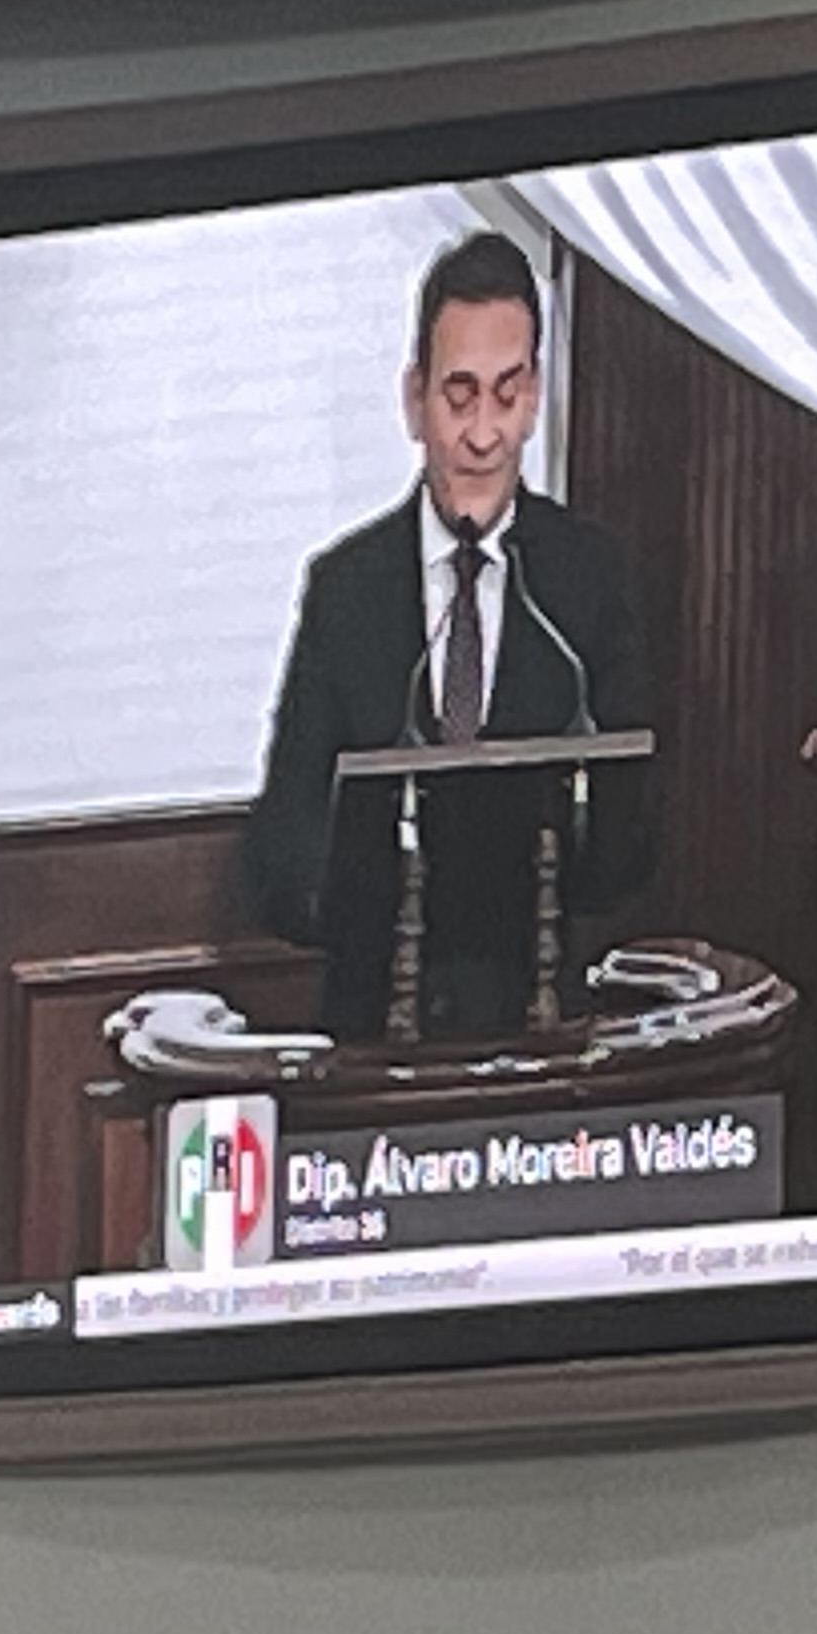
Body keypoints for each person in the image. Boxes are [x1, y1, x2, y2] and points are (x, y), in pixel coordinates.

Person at [242, 229, 653, 1039]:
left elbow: (634, 843)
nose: (483, 434)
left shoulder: (590, 580)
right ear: (414, 400)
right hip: (377, 1036)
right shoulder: (346, 591)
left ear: (534, 397)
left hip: (543, 1033)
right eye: (459, 396)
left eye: (507, 394)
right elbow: (283, 848)